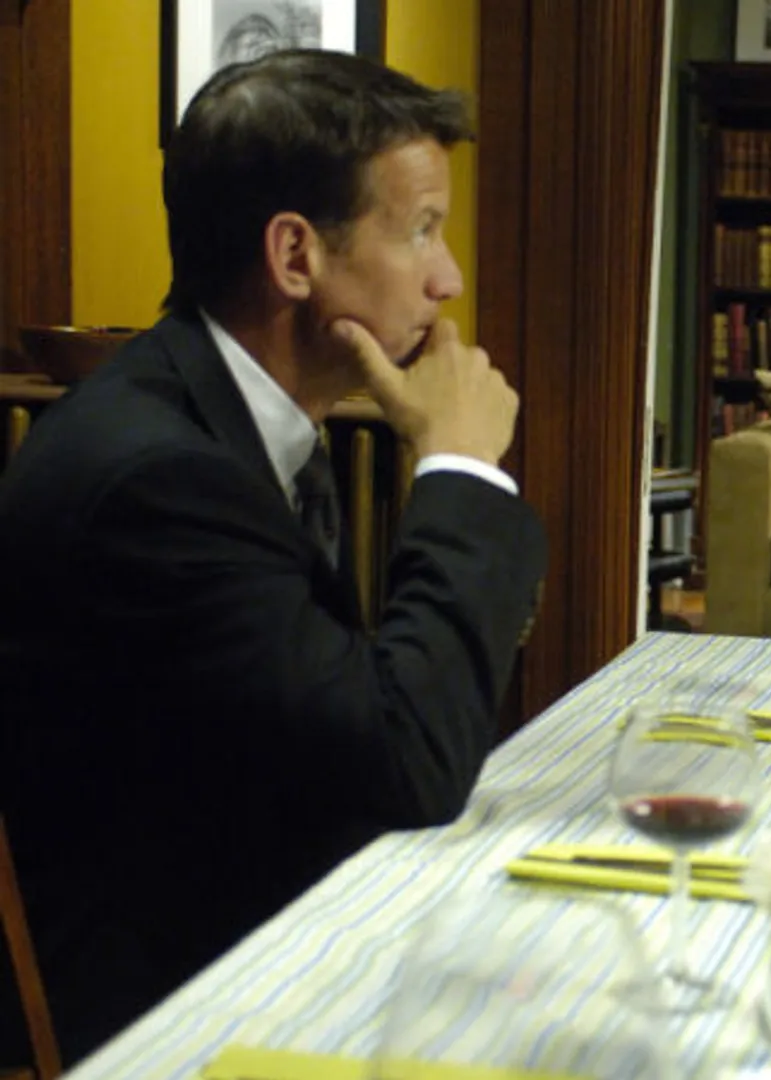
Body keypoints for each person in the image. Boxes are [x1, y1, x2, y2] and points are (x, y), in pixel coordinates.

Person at [0, 51, 547, 1059]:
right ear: (295, 256)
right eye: (421, 229)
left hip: (260, 922)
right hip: (169, 1015)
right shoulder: (159, 478)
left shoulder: (225, 418)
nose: (449, 278)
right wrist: (463, 467)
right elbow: (405, 764)